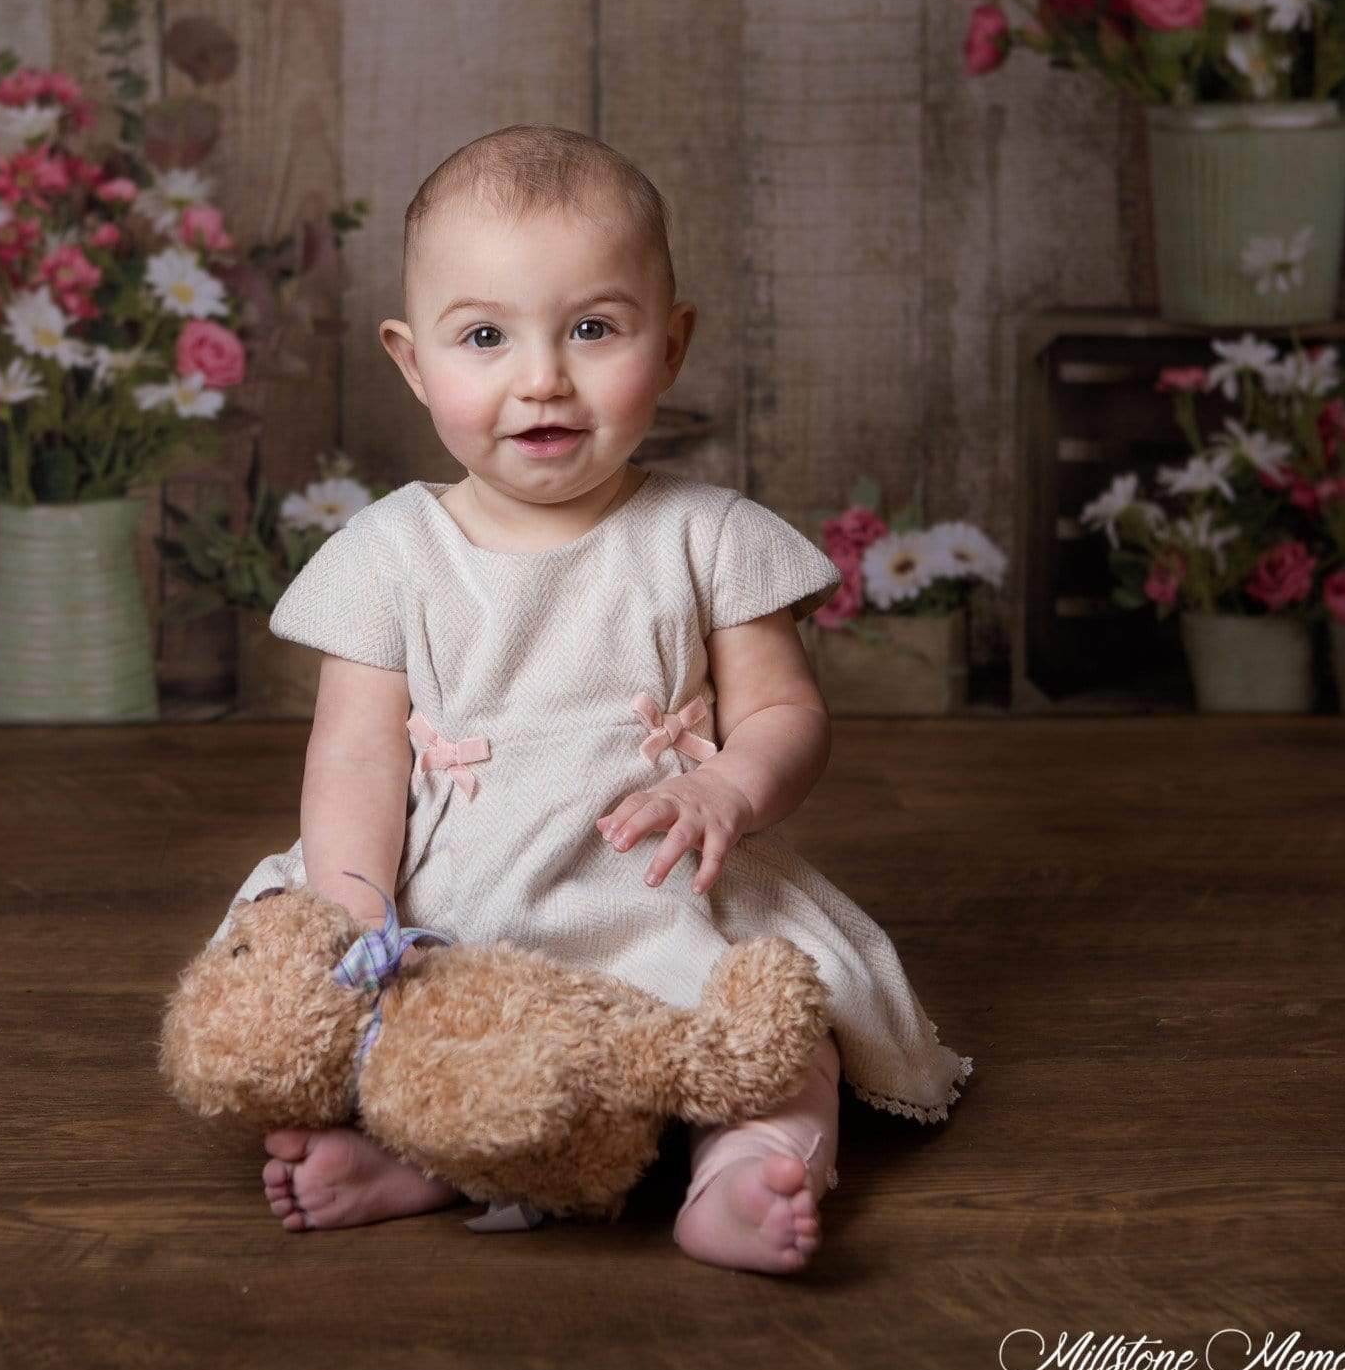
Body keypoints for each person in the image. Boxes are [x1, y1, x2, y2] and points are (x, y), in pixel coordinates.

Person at [210, 124, 971, 1274]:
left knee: (777, 1034)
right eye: (483, 336)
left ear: (669, 346)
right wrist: (359, 913)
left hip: (657, 889)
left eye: (593, 329)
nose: (542, 378)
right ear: (413, 363)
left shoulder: (705, 535)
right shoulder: (386, 555)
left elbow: (785, 716)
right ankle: (419, 1157)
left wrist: (728, 781)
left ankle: (745, 1168)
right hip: (455, 890)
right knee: (399, 1028)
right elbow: (355, 758)